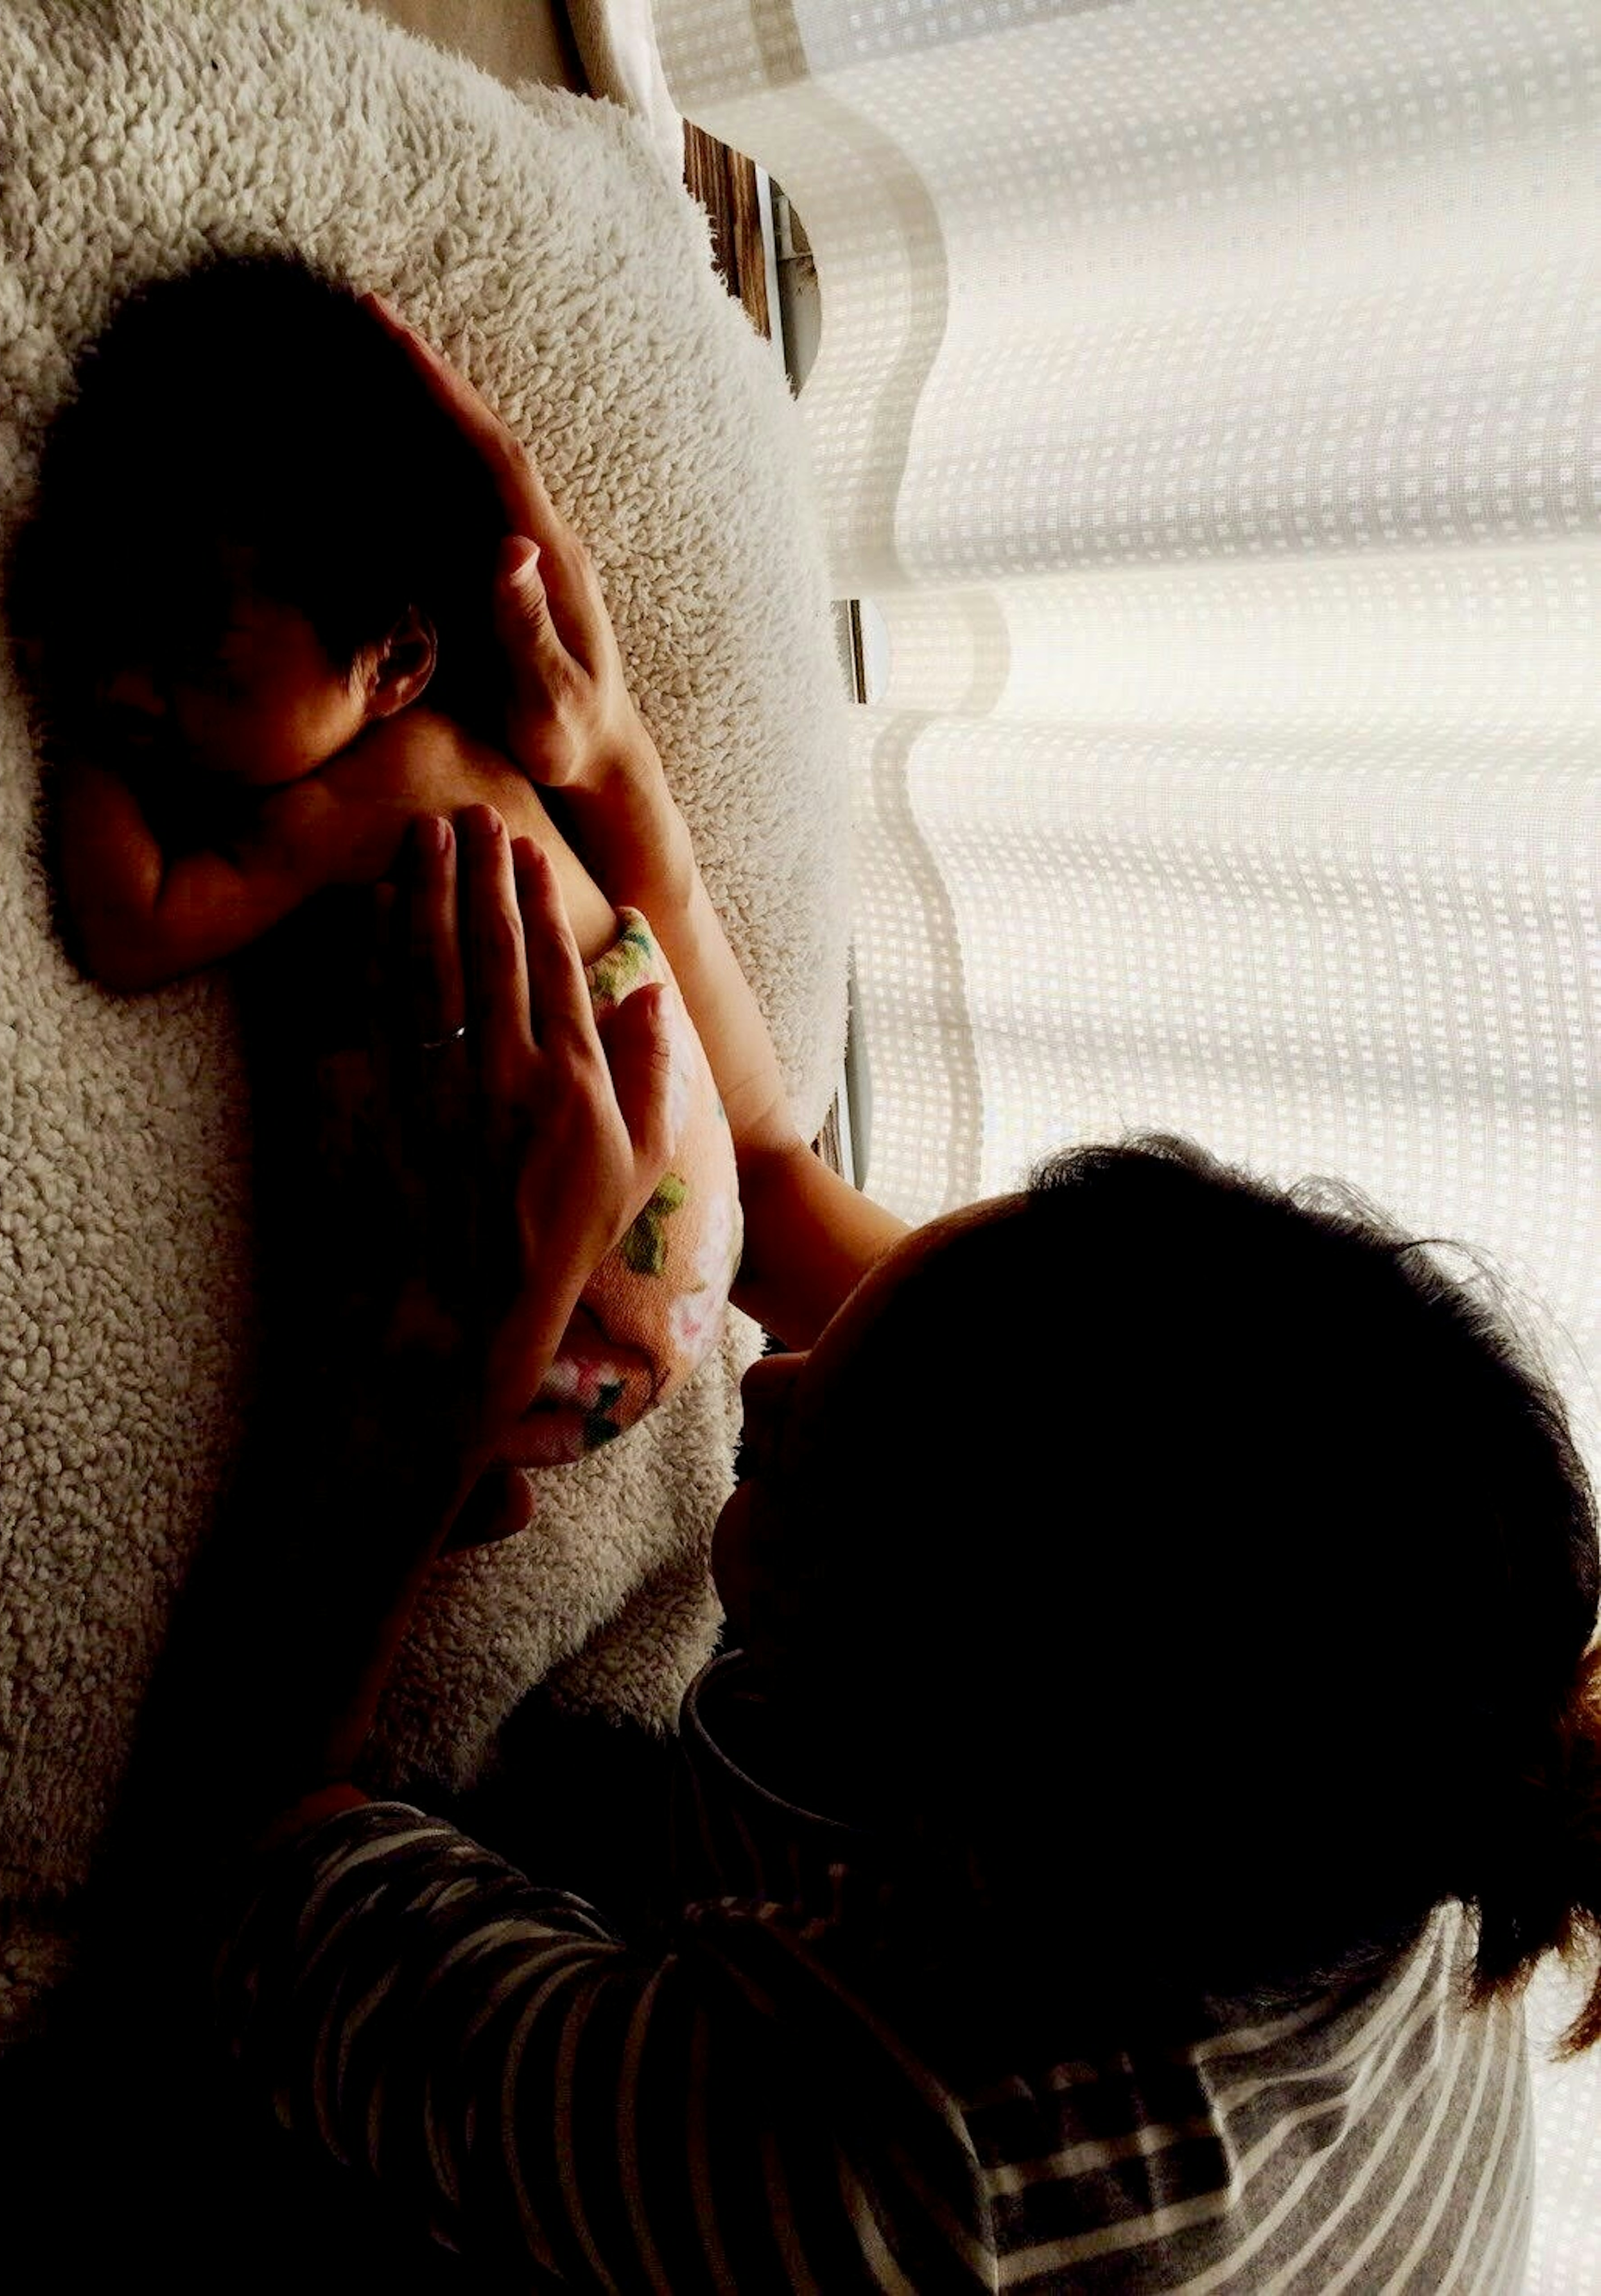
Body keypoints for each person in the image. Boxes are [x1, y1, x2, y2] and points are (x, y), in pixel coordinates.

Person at [174, 322, 1601, 2290]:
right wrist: (602, 759)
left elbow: (244, 1877)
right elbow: (764, 1184)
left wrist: (434, 1375)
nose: (760, 1369)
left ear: (925, 1790)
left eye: (801, 1439)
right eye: (894, 1300)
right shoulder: (1374, 1701)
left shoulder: (895, 2171)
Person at [9, 253, 742, 1464]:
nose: (136, 687)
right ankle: (483, 1485)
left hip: (598, 1263)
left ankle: (470, 1469)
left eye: (201, 665)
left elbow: (132, 925)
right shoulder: (456, 748)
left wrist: (76, 728)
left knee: (343, 1381)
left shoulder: (370, 798)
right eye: (112, 633)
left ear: (399, 661)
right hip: (694, 1246)